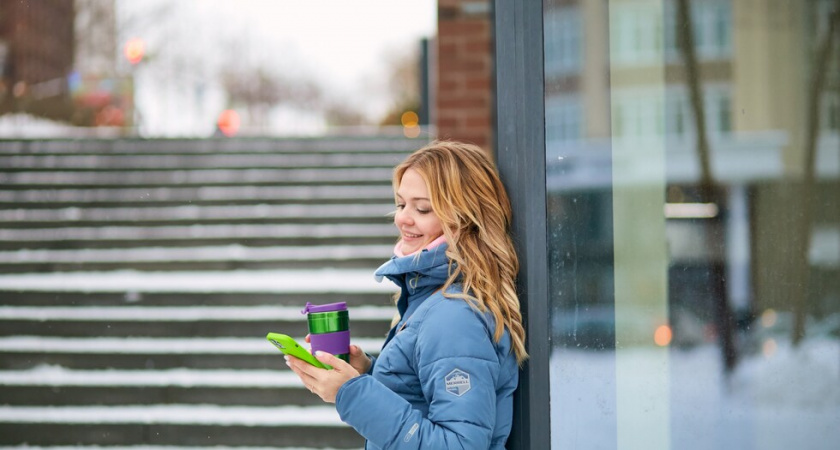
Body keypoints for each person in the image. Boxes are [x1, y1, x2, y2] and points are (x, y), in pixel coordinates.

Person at [285, 140, 528, 449]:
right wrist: (369, 374)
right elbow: (425, 399)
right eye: (401, 204)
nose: (402, 218)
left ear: (464, 218)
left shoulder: (454, 317)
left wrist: (352, 393)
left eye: (422, 208)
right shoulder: (431, 300)